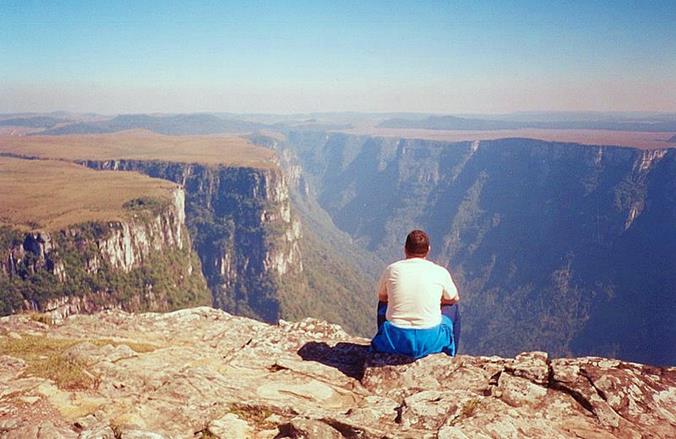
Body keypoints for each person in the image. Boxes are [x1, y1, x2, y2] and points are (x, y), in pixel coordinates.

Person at [371, 229, 461, 359]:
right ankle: (451, 356)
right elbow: (454, 298)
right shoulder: (439, 272)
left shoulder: (392, 270)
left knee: (383, 304)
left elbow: (382, 297)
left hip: (395, 341)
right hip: (430, 341)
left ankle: (383, 340)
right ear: (428, 249)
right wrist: (437, 302)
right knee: (453, 307)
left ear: (405, 249)